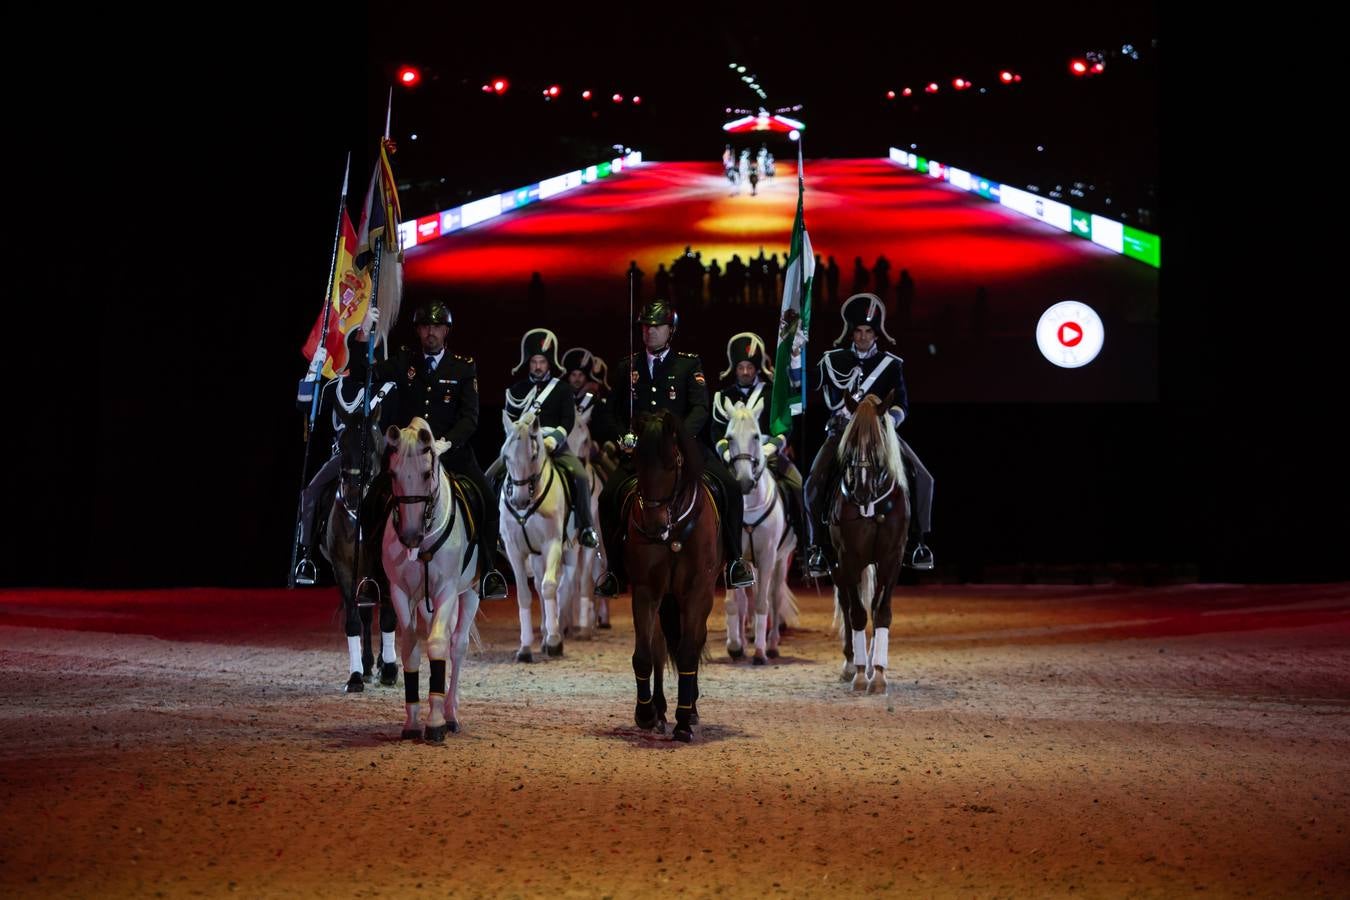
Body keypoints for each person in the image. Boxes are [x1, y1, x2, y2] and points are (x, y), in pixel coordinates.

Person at [341, 300, 508, 598]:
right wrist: (364, 333)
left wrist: (448, 442)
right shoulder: (405, 360)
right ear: (418, 331)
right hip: (408, 458)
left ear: (446, 331)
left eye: (437, 327)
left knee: (486, 500)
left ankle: (489, 571)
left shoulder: (463, 366)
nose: (431, 332)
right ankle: (371, 576)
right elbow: (361, 373)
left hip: (450, 453)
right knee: (370, 503)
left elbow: (470, 417)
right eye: (425, 327)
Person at [599, 299, 756, 591]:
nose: (649, 332)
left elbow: (700, 408)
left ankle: (734, 561)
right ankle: (614, 571)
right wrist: (623, 436)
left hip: (683, 450)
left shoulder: (688, 364)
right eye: (645, 327)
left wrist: (678, 437)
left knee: (730, 487)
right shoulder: (627, 367)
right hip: (640, 455)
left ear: (670, 330)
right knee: (607, 497)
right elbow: (611, 413)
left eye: (656, 327)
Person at [802, 293, 935, 576]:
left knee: (922, 477)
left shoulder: (892, 364)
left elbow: (902, 405)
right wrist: (794, 355)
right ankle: (818, 548)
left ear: (876, 334)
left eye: (868, 332)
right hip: (842, 434)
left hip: (880, 434)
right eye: (858, 331)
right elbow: (803, 385)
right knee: (813, 483)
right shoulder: (833, 360)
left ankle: (916, 543)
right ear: (851, 332)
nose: (863, 337)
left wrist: (886, 422)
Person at [490, 328, 601, 552]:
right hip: (522, 448)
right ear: (528, 363)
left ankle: (586, 527)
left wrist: (554, 439)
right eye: (534, 361)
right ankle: (496, 531)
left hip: (554, 444)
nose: (538, 366)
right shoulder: (516, 390)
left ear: (549, 363)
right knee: (489, 477)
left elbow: (568, 421)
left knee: (579, 474)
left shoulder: (561, 389)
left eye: (542, 361)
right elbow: (509, 422)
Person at [710, 332, 807, 549]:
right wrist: (727, 453)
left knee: (800, 487)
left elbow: (785, 427)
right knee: (710, 491)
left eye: (750, 367)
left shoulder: (774, 393)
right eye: (741, 367)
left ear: (757, 368)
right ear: (734, 368)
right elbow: (716, 432)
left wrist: (769, 449)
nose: (745, 372)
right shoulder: (722, 397)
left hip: (769, 455)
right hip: (733, 458)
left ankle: (806, 547)